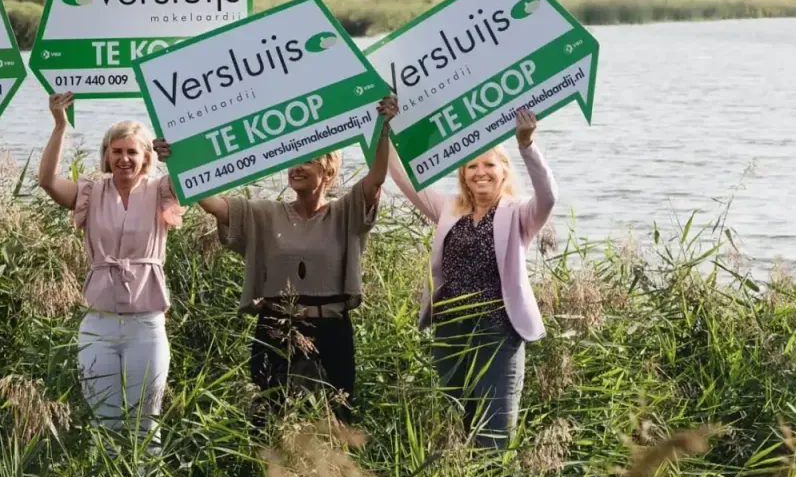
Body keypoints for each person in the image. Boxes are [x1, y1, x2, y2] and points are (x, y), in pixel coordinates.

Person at [155, 96, 396, 418]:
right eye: (293, 161)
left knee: (337, 415)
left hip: (331, 328)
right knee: (268, 415)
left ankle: (336, 469)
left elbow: (376, 179)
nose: (296, 168)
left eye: (307, 161)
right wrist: (177, 162)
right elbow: (213, 204)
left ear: (328, 170)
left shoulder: (344, 213)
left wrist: (383, 130)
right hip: (275, 326)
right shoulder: (265, 214)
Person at [388, 108, 556, 451]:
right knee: (454, 428)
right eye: (472, 166)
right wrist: (386, 129)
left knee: (494, 436)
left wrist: (526, 145)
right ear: (463, 175)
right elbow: (404, 178)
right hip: (450, 332)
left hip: (498, 333)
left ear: (503, 171)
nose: (480, 172)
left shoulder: (518, 213)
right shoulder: (449, 208)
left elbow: (549, 197)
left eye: (489, 165)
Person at [36, 92, 183, 454]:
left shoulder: (161, 189)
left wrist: (176, 157)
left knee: (145, 422)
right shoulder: (91, 190)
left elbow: (194, 182)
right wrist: (60, 125)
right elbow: (47, 181)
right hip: (98, 322)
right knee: (105, 421)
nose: (124, 159)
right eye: (116, 152)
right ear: (106, 154)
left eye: (132, 152)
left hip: (145, 322)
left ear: (146, 156)